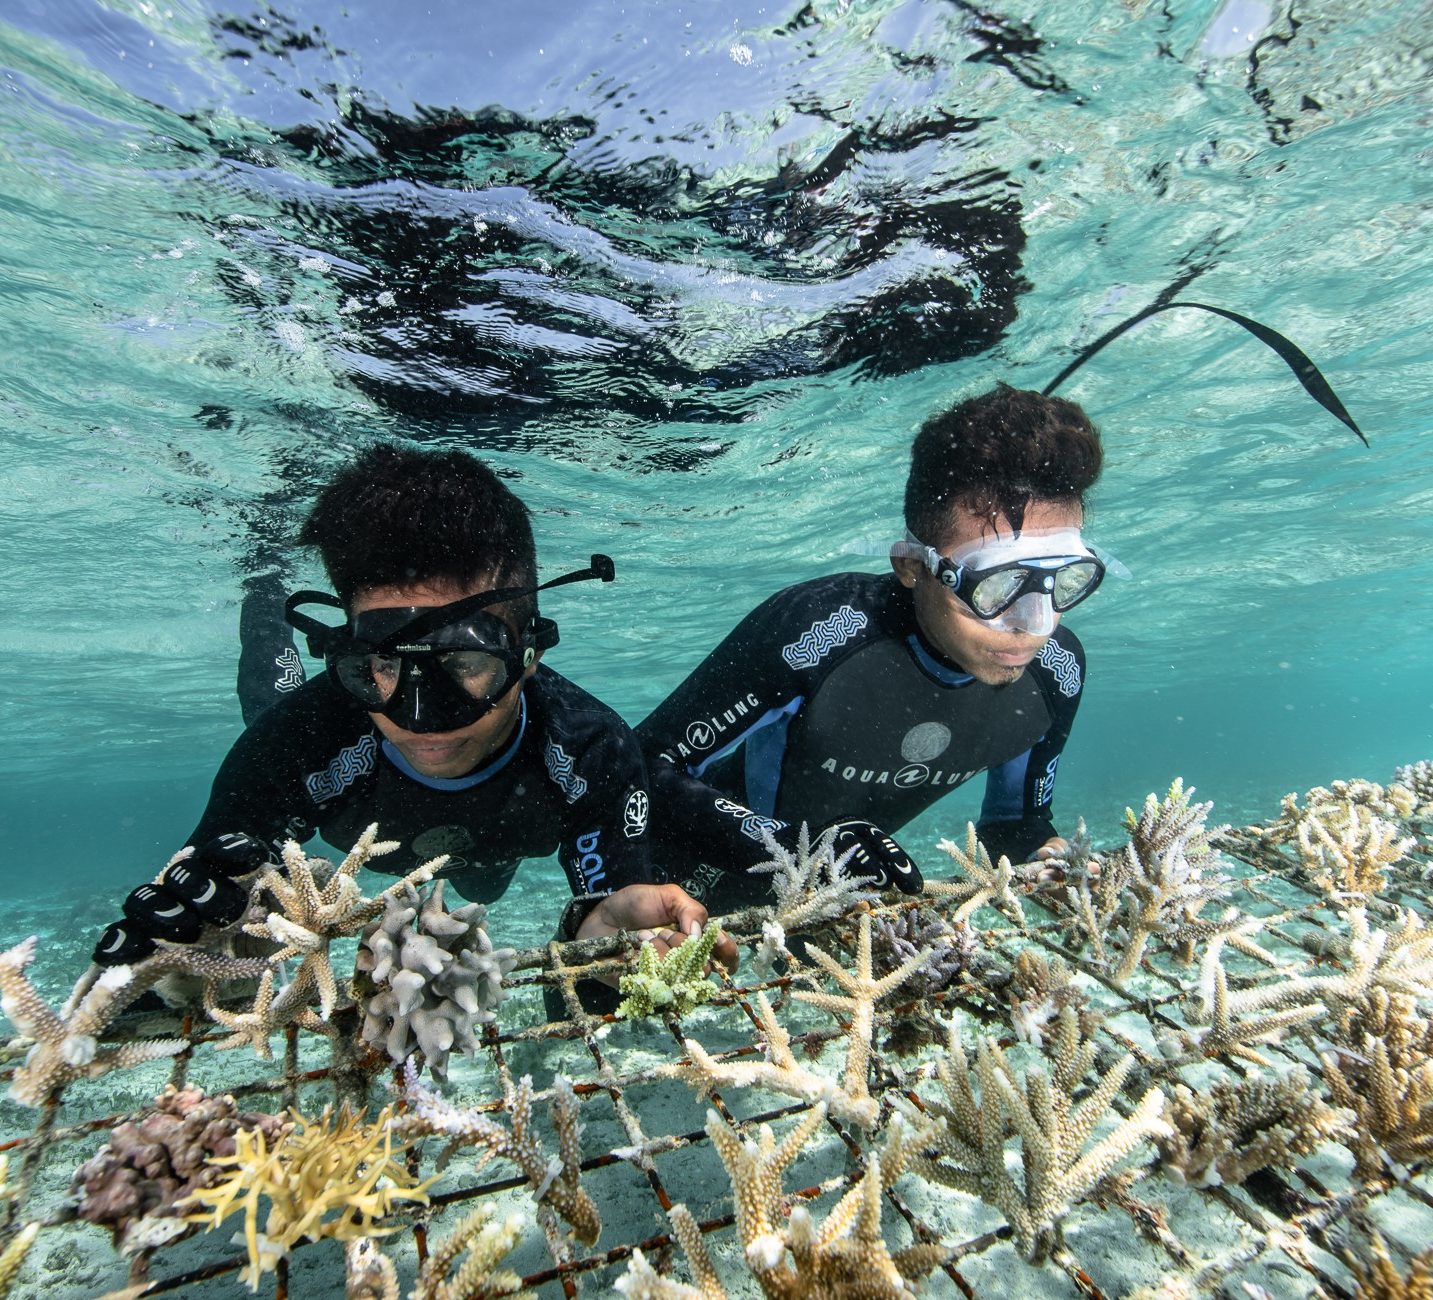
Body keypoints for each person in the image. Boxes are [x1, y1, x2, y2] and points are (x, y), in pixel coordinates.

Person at [94, 444, 735, 976]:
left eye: (464, 663)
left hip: (500, 848)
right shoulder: (296, 743)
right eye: (381, 663)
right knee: (271, 709)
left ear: (530, 652)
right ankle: (263, 592)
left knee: (484, 887)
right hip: (342, 757)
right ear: (346, 652)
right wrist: (195, 959)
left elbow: (605, 937)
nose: (421, 718)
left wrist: (603, 935)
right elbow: (206, 931)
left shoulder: (593, 750)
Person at [636, 383, 1106, 913]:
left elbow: (1016, 826)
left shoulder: (1059, 669)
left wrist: (1046, 856)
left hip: (837, 897)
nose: (1035, 624)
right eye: (996, 586)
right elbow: (642, 768)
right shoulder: (818, 630)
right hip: (684, 874)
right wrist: (795, 849)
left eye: (1068, 580)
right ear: (911, 567)